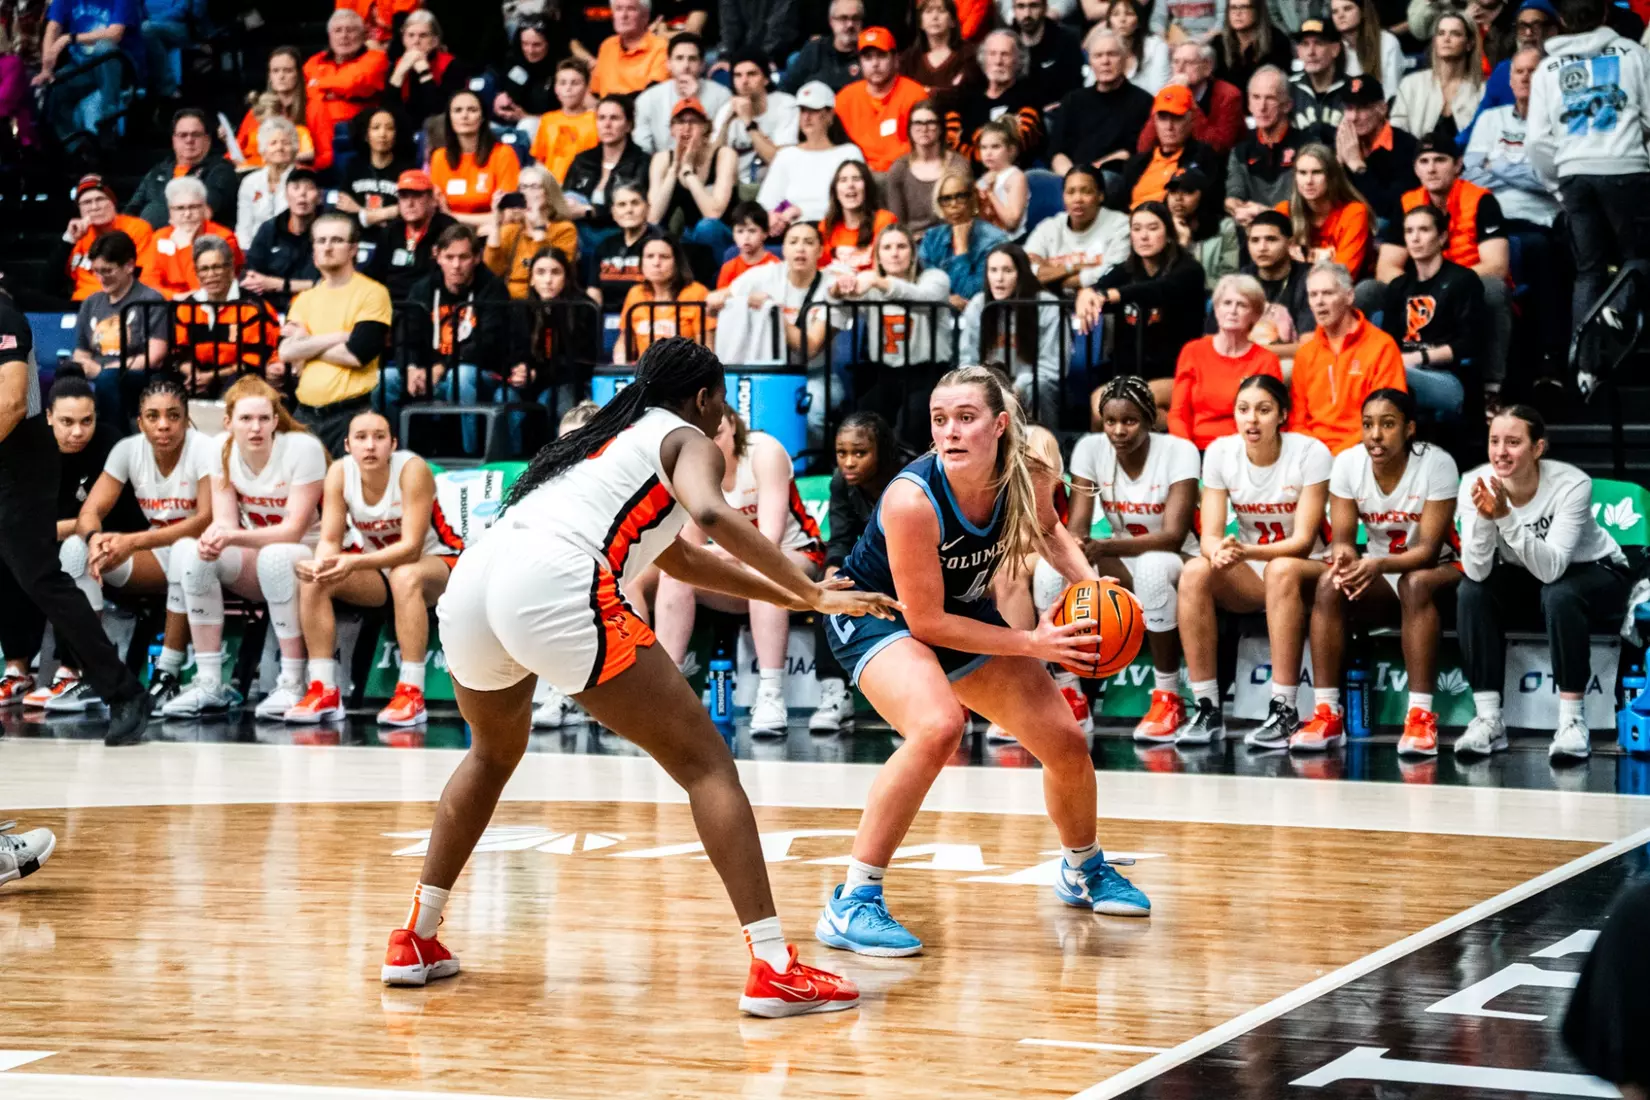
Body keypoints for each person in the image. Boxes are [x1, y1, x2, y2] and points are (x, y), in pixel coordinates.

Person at [392, 337, 890, 1012]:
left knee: (490, 754)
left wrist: (793, 590)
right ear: (707, 397)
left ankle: (416, 938)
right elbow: (714, 515)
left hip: (478, 582)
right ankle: (774, 965)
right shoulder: (688, 437)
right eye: (718, 405)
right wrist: (808, 596)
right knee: (708, 767)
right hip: (555, 581)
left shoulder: (606, 439)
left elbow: (685, 560)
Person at [816, 365, 1148, 958]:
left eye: (966, 419)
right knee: (939, 725)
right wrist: (1032, 643)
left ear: (999, 426)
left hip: (953, 612)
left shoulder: (1029, 472)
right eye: (939, 421)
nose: (950, 432)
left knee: (1065, 742)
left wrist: (1095, 588)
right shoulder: (912, 499)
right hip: (876, 613)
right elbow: (927, 624)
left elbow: (1049, 534)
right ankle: (852, 899)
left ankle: (1083, 869)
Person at [0, 287, 153, 744]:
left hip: (17, 467)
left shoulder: (5, 316)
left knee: (42, 580)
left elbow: (10, 402)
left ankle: (123, 690)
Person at [1454, 405, 1631, 760]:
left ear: (1538, 448)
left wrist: (1505, 515)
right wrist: (1488, 520)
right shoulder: (1476, 483)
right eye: (1495, 441)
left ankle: (1572, 722)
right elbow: (1476, 570)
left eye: (1514, 442)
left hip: (1596, 571)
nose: (1501, 451)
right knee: (1471, 592)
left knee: (1560, 593)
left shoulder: (1571, 484)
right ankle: (1489, 720)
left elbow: (1553, 569)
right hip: (1529, 575)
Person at [1302, 388, 1462, 755]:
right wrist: (1344, 558)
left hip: (1443, 569)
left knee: (1415, 584)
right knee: (1329, 583)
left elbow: (1427, 551)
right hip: (1382, 569)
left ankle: (1420, 717)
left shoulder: (1437, 465)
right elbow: (1342, 539)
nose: (1375, 435)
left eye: (1387, 425)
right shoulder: (1346, 464)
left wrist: (1377, 565)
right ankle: (1326, 713)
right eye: (1368, 425)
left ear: (1409, 429)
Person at [1177, 374, 1332, 746]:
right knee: (1196, 571)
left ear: (1282, 415)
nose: (1252, 420)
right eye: (1243, 410)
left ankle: (1285, 709)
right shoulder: (1219, 452)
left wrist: (1245, 552)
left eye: (1263, 410)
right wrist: (1219, 551)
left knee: (1281, 569)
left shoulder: (1311, 453)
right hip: (1254, 572)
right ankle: (1207, 708)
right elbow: (1210, 535)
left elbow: (1303, 542)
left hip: (1309, 572)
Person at [652, 409, 825, 734]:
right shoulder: (691, 470)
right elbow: (690, 551)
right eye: (703, 435)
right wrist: (701, 560)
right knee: (675, 576)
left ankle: (771, 695)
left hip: (795, 558)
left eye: (718, 430)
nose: (711, 439)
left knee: (763, 571)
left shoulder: (764, 452)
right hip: (737, 565)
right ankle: (666, 693)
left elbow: (769, 544)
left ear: (734, 427)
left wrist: (710, 556)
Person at [162, 376, 325, 720]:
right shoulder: (218, 448)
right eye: (246, 419)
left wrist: (229, 537)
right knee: (192, 553)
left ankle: (293, 682)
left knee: (276, 557)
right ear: (228, 422)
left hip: (308, 556)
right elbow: (225, 523)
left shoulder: (302, 448)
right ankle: (208, 682)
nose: (255, 428)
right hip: (257, 555)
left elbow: (294, 531)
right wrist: (212, 540)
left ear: (276, 421)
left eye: (264, 419)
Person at [288, 410, 462, 726]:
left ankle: (412, 692)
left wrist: (354, 561)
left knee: (405, 575)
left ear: (392, 444)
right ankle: (323, 689)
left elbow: (410, 548)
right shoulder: (339, 473)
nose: (370, 446)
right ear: (347, 445)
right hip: (379, 568)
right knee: (317, 580)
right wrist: (322, 565)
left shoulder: (412, 470)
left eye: (379, 437)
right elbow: (329, 538)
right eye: (361, 438)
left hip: (439, 563)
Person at [64, 375, 215, 711]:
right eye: (153, 417)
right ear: (140, 422)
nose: (163, 426)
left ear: (187, 420)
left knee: (183, 552)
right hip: (156, 553)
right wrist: (94, 540)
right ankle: (96, 671)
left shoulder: (204, 449)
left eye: (173, 416)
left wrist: (134, 541)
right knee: (74, 551)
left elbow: (205, 519)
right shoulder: (127, 450)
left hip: (205, 553)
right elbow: (91, 511)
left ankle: (169, 674)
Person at [1067, 375, 1200, 742]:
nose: (1118, 431)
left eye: (1130, 421)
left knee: (1154, 568)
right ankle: (1069, 692)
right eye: (1110, 422)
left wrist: (1104, 547)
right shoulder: (1089, 450)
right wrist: (1081, 546)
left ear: (1150, 420)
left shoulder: (1179, 451)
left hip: (1178, 557)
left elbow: (1173, 536)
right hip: (1122, 554)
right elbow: (1077, 528)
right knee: (1051, 571)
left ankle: (1168, 696)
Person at [13, 377, 147, 713]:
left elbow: (98, 517)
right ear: (47, 417)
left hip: (115, 542)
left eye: (86, 421)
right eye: (67, 422)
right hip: (50, 542)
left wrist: (40, 530)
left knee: (70, 549)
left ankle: (73, 671)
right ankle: (16, 669)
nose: (77, 432)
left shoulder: (111, 444)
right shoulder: (30, 451)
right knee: (10, 557)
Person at [1526, 0, 1650, 352]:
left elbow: (1536, 140)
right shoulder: (1633, 53)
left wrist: (1558, 181)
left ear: (1561, 20)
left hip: (1574, 175)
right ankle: (1615, 309)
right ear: (1606, 14)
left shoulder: (1547, 68)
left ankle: (1582, 361)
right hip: (1626, 168)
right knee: (1639, 256)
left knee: (1589, 271)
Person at [1375, 126, 1511, 408]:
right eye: (1424, 161)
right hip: (1422, 280)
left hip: (1470, 282)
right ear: (1415, 168)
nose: (1432, 168)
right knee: (1366, 291)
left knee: (1495, 289)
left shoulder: (1480, 199)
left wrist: (1445, 284)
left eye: (1440, 160)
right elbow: (1386, 267)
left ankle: (1491, 388)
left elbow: (1496, 266)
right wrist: (1417, 286)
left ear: (1458, 164)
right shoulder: (1407, 202)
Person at [811, 412, 904, 732]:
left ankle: (907, 700)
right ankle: (835, 693)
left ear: (882, 451)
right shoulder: (840, 482)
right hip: (867, 566)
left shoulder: (910, 476)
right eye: (842, 453)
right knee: (826, 590)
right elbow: (839, 539)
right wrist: (834, 571)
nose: (848, 462)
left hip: (912, 565)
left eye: (859, 453)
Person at [278, 212, 395, 456]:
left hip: (350, 416)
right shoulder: (305, 299)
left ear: (353, 249)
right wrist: (340, 336)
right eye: (320, 241)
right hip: (305, 416)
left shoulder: (373, 293)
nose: (327, 247)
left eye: (336, 240)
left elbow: (356, 355)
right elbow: (286, 351)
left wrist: (307, 346)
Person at [1077, 201, 1208, 415]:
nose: (1143, 236)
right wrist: (1086, 294)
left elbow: (1160, 289)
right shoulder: (1125, 270)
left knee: (1129, 407)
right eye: (1136, 229)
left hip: (1175, 372)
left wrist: (1115, 295)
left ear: (1168, 233)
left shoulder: (1189, 269)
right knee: (1098, 406)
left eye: (1152, 228)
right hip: (1127, 373)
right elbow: (1098, 288)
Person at [707, 222, 833, 437]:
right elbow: (713, 299)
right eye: (793, 242)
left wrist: (773, 312)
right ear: (783, 249)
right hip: (767, 371)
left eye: (809, 242)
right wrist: (744, 300)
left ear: (820, 250)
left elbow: (810, 347)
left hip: (814, 374)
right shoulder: (765, 275)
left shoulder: (829, 286)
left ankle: (811, 465)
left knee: (813, 414)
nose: (800, 248)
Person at [404, 224, 513, 456]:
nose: (456, 265)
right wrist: (412, 368)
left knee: (461, 375)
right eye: (449, 257)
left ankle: (469, 454)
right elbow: (407, 336)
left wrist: (442, 366)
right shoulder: (422, 290)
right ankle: (398, 454)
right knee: (387, 382)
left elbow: (486, 343)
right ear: (437, 256)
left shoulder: (492, 289)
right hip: (431, 374)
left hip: (481, 375)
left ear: (476, 257)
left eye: (463, 257)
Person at [1379, 204, 1487, 419]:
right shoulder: (1398, 286)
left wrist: (1418, 358)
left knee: (1390, 375)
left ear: (1442, 237)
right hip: (1403, 371)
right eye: (1409, 231)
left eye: (1424, 230)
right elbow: (1387, 340)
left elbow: (1469, 343)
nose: (1415, 238)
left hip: (1449, 377)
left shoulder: (1463, 280)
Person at [1290, 261, 1407, 454]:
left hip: (1364, 452)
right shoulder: (1306, 353)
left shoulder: (1381, 346)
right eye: (1313, 295)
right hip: (1312, 456)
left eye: (1327, 293)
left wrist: (1338, 456)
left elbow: (1386, 417)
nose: (1319, 302)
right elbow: (1297, 421)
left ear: (1349, 296)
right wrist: (1316, 455)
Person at [1168, 274, 1284, 448]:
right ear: (1216, 309)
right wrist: (1186, 452)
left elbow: (1272, 421)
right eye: (1227, 303)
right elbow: (1178, 414)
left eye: (1242, 305)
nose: (1233, 310)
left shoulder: (1266, 361)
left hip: (1245, 451)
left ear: (1255, 315)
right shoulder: (1193, 351)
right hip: (1197, 449)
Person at [70, 230, 169, 429]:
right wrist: (83, 364)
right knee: (65, 374)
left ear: (129, 266)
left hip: (137, 375)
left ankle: (113, 436)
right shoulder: (91, 302)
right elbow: (81, 351)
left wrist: (103, 370)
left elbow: (154, 356)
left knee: (108, 379)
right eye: (96, 271)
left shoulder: (151, 300)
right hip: (99, 369)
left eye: (107, 271)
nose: (100, 277)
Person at [959, 243, 1064, 422]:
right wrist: (988, 387)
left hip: (1032, 385)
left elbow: (1052, 366)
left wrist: (1018, 388)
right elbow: (967, 360)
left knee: (1038, 388)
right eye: (993, 270)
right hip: (989, 384)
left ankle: (1044, 446)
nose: (999, 278)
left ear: (1021, 274)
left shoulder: (1046, 304)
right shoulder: (978, 305)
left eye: (1007, 270)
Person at [755, 82, 867, 236]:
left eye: (813, 110)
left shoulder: (849, 153)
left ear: (829, 114)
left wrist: (800, 212)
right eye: (802, 110)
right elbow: (766, 204)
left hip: (835, 232)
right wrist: (775, 216)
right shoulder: (787, 155)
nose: (806, 117)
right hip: (792, 235)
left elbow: (857, 202)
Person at [32, 0, 143, 143]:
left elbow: (115, 34)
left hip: (119, 69)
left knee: (104, 48)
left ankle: (108, 119)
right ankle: (76, 149)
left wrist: (70, 38)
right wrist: (46, 69)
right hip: (83, 67)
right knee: (54, 89)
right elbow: (53, 28)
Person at [1049, 28, 1154, 176]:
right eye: (1098, 56)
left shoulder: (1143, 102)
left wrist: (1088, 177)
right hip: (1069, 179)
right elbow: (1056, 152)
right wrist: (1073, 178)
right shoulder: (1073, 100)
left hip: (1111, 179)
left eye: (1112, 54)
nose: (1105, 61)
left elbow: (1129, 153)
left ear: (1125, 59)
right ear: (1090, 62)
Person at [646, 98, 738, 256]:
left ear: (705, 128)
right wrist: (674, 168)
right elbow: (653, 217)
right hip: (689, 237)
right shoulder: (662, 159)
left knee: (707, 227)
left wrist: (688, 171)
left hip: (726, 236)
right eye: (680, 122)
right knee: (652, 231)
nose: (686, 128)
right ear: (672, 130)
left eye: (693, 122)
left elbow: (714, 214)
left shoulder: (724, 155)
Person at [563, 95, 651, 253]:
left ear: (629, 125)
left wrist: (588, 211)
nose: (607, 124)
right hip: (580, 231)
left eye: (614, 118)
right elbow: (563, 200)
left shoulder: (641, 162)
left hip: (620, 230)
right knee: (570, 197)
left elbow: (637, 208)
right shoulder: (583, 160)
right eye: (601, 118)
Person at [834, 27, 929, 173]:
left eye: (881, 56)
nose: (875, 64)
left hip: (902, 173)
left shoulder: (915, 95)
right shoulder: (844, 99)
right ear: (860, 63)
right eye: (868, 58)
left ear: (895, 59)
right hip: (858, 176)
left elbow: (921, 145)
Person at [1118, 84, 1225, 213]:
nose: (1169, 126)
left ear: (1191, 120)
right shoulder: (1136, 163)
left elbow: (1208, 206)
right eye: (1163, 118)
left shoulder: (1204, 158)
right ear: (1155, 121)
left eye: (1177, 118)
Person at [126, 109, 239, 229]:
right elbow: (131, 210)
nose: (189, 140)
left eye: (196, 134)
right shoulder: (158, 171)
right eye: (182, 135)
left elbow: (204, 212)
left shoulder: (221, 170)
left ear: (207, 140)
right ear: (174, 140)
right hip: (146, 241)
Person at [1026, 164, 1131, 292]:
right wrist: (1074, 267)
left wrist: (1051, 278)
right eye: (1070, 192)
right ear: (1063, 197)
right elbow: (1026, 272)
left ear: (1100, 195)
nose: (1077, 199)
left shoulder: (1120, 225)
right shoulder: (1049, 227)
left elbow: (1111, 275)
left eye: (1086, 191)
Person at [944, 30, 1044, 163]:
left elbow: (1016, 145)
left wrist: (968, 136)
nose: (998, 61)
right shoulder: (964, 100)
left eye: (1005, 54)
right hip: (966, 175)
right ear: (984, 60)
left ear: (1019, 60)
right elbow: (951, 146)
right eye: (992, 54)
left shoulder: (1029, 99)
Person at [138, 176, 243, 302]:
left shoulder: (224, 237)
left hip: (210, 305)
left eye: (193, 207)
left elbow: (208, 288)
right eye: (180, 208)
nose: (187, 214)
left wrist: (187, 247)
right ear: (170, 211)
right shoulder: (160, 237)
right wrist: (174, 296)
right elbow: (148, 284)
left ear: (205, 209)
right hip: (167, 305)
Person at [1276, 143, 1374, 277]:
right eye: (1302, 173)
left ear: (1331, 177)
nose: (1308, 181)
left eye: (1316, 172)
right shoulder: (1284, 212)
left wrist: (1301, 266)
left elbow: (1344, 274)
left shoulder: (1354, 212)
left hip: (1343, 291)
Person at [919, 165, 1011, 308]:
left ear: (972, 198)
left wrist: (962, 250)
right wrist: (946, 300)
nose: (954, 204)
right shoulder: (932, 238)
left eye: (960, 196)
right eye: (946, 199)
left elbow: (971, 295)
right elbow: (922, 286)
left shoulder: (994, 240)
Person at [1224, 67, 1305, 228]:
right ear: (1249, 103)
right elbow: (1234, 194)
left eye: (1270, 98)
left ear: (1287, 105)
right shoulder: (1241, 149)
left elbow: (1308, 205)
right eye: (1256, 97)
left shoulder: (1307, 147)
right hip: (1252, 228)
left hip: (1295, 228)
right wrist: (1235, 206)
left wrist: (1267, 214)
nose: (1262, 107)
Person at [362, 170, 459, 304]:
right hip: (391, 306)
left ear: (432, 200)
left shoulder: (448, 230)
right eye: (404, 197)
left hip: (431, 305)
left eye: (417, 196)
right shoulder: (391, 231)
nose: (410, 203)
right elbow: (374, 274)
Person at [54, 174, 154, 303]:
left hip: (121, 302)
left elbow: (141, 276)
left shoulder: (137, 228)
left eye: (100, 199)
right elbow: (50, 284)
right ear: (79, 209)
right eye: (86, 202)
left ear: (112, 202)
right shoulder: (78, 233)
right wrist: (68, 240)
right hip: (80, 304)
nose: (94, 207)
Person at [430, 91, 522, 230]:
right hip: (449, 233)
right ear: (449, 118)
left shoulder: (503, 154)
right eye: (458, 110)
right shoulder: (439, 157)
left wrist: (452, 216)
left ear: (483, 117)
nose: (464, 116)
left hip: (491, 231)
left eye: (472, 110)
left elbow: (508, 215)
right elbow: (435, 208)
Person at [1334, 75, 1421, 224]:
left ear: (1382, 108)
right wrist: (1338, 165)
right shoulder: (1338, 143)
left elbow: (1388, 210)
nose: (1354, 117)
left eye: (1362, 108)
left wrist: (1357, 166)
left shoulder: (1407, 147)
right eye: (1349, 108)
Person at [482, 169, 580, 299]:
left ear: (549, 193)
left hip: (545, 299)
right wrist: (496, 222)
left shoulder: (564, 230)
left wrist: (539, 227)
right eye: (523, 187)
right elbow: (491, 269)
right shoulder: (511, 230)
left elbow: (551, 270)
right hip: (509, 301)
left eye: (534, 187)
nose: (527, 193)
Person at [1135, 41, 1245, 156]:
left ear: (1207, 66)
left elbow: (1219, 148)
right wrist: (1164, 99)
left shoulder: (1228, 95)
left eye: (1189, 62)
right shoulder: (1168, 92)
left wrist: (1188, 99)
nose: (1180, 69)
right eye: (1176, 62)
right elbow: (1144, 147)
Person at [303, 10, 390, 154]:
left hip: (354, 134)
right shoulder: (314, 61)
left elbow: (352, 83)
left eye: (351, 30)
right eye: (338, 30)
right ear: (330, 36)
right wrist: (338, 91)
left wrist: (318, 85)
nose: (344, 36)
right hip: (314, 133)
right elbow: (303, 91)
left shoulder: (376, 58)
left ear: (363, 35)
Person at [711, 49, 800, 189]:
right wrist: (726, 124)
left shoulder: (786, 105)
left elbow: (780, 162)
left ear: (766, 79)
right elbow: (712, 162)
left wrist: (749, 123)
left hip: (773, 183)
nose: (744, 81)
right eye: (738, 75)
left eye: (751, 74)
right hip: (734, 186)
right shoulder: (726, 109)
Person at [230, 46, 328, 171]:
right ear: (270, 76)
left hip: (297, 175)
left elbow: (326, 156)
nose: (281, 76)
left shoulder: (315, 107)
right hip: (256, 173)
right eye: (275, 71)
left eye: (287, 71)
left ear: (298, 74)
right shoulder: (258, 109)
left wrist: (300, 166)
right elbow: (237, 150)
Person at [617, 236, 713, 362]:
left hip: (685, 374)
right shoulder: (636, 293)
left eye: (664, 257)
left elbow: (706, 347)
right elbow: (625, 341)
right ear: (641, 262)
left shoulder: (697, 293)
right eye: (650, 256)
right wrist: (620, 362)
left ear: (677, 262)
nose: (656, 263)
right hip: (645, 375)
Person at [633, 33, 732, 155]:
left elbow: (722, 144)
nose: (686, 66)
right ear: (668, 64)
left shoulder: (722, 96)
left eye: (692, 59)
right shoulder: (648, 99)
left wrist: (694, 101)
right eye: (679, 58)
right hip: (661, 167)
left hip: (708, 165)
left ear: (702, 65)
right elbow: (642, 148)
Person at [242, 167, 322, 310]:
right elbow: (252, 273)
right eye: (296, 187)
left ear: (320, 196)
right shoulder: (269, 229)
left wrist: (277, 284)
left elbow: (328, 284)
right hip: (270, 309)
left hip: (316, 308)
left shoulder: (328, 232)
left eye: (309, 188)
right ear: (285, 195)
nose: (302, 194)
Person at [884, 101, 969, 238]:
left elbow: (964, 216)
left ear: (941, 128)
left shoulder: (958, 164)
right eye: (918, 123)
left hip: (952, 239)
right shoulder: (899, 169)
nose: (924, 129)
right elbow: (897, 224)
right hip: (914, 243)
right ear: (910, 129)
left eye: (930, 122)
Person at [1392, 14, 1485, 135]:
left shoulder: (1482, 90)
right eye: (1441, 33)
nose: (1446, 39)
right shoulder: (1411, 84)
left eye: (1455, 34)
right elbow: (1396, 133)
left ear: (1469, 44)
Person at [1241, 209, 1314, 360]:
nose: (1262, 248)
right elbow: (1213, 337)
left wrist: (1253, 352)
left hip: (1290, 363)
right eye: (1255, 240)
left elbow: (1308, 347)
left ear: (1290, 243)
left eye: (1271, 239)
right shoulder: (1240, 280)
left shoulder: (1310, 279)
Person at [334, 108, 414, 229]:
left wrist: (359, 210)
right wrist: (388, 213)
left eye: (390, 128)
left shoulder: (407, 171)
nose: (383, 134)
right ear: (366, 135)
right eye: (376, 128)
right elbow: (344, 206)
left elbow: (409, 210)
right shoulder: (353, 166)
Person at [387, 11, 468, 126]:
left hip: (440, 126)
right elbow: (388, 108)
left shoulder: (451, 64)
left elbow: (440, 109)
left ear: (435, 41)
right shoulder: (397, 65)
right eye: (410, 35)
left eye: (423, 36)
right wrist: (399, 73)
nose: (416, 42)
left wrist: (424, 73)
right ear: (403, 39)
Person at [818, 160, 898, 274]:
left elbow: (887, 268)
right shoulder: (826, 226)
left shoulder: (885, 220)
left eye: (856, 179)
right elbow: (820, 270)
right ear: (835, 191)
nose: (850, 185)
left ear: (867, 187)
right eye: (843, 180)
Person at [1166, 167, 1238, 287]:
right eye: (1173, 192)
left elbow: (1230, 278)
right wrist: (1182, 245)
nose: (1178, 198)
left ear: (1203, 195)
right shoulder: (1160, 227)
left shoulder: (1224, 227)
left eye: (1187, 192)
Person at [530, 60, 600, 182]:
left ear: (587, 87)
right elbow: (539, 161)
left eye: (575, 83)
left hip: (582, 186)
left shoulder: (596, 119)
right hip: (552, 187)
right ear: (556, 88)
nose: (568, 88)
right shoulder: (548, 120)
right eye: (562, 83)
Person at [235, 118, 298, 251]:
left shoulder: (301, 180)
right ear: (263, 150)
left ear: (294, 149)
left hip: (290, 251)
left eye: (285, 143)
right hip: (254, 251)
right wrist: (246, 254)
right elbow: (243, 227)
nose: (279, 148)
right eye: (273, 143)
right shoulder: (250, 182)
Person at [1012, 0, 1085, 112]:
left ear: (1045, 7)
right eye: (1021, 7)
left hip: (1056, 113)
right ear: (1014, 10)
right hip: (1016, 114)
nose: (1027, 13)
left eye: (1034, 6)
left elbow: (1074, 86)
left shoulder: (1066, 40)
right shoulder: (1006, 42)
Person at [490, 19, 558, 136]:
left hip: (544, 125)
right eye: (525, 44)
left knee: (528, 125)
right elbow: (502, 90)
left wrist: (525, 116)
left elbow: (565, 115)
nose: (530, 50)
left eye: (537, 45)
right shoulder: (513, 61)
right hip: (507, 122)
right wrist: (499, 101)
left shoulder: (560, 70)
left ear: (548, 43)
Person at [590, 0, 671, 97]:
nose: (623, 15)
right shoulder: (607, 46)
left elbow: (653, 95)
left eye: (631, 9)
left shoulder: (661, 47)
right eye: (618, 9)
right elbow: (594, 93)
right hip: (605, 110)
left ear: (645, 17)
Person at [783, 0, 865, 93]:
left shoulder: (868, 53)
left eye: (855, 18)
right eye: (843, 18)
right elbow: (789, 89)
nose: (850, 24)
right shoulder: (814, 49)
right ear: (831, 21)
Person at [1212, 0, 1293, 94]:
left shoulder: (1277, 41)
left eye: (1244, 7)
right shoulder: (1218, 43)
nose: (1237, 13)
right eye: (1233, 8)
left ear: (1257, 11)